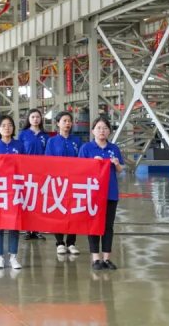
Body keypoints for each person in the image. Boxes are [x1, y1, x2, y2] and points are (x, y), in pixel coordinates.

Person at [79, 116, 123, 271]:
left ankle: (106, 258)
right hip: (93, 193)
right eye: (98, 128)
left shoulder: (114, 148)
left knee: (108, 226)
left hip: (110, 192)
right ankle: (95, 258)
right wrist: (92, 163)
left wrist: (116, 164)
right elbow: (80, 169)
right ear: (93, 131)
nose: (102, 131)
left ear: (109, 131)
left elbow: (120, 170)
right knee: (93, 225)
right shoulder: (86, 148)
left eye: (105, 128)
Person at [0, 115, 25, 270]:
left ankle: (13, 256)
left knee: (14, 224)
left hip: (16, 188)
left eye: (10, 125)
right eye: (3, 125)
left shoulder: (19, 145)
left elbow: (26, 165)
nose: (7, 128)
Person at [45, 111, 83, 255]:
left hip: (74, 181)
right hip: (58, 181)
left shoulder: (77, 140)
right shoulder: (52, 141)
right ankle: (60, 242)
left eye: (69, 121)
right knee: (58, 211)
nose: (67, 123)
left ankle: (71, 242)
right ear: (58, 123)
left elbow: (82, 159)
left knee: (73, 211)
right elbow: (48, 161)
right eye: (64, 121)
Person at [19, 108, 48, 240]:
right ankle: (27, 229)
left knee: (38, 200)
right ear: (28, 119)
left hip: (41, 171)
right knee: (27, 199)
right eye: (33, 117)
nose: (35, 119)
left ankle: (37, 229)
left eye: (37, 117)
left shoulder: (45, 136)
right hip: (26, 171)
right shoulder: (23, 134)